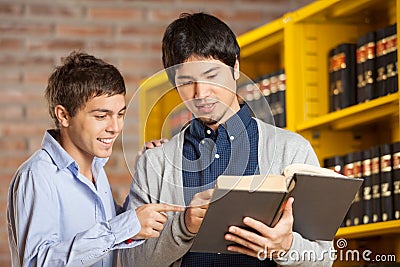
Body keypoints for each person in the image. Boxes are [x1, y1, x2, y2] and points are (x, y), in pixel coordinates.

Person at [121, 12, 333, 267]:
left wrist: (285, 247)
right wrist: (184, 227)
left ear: (235, 68)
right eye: (187, 82)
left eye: (212, 76)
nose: (201, 93)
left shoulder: (292, 150)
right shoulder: (154, 163)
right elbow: (131, 261)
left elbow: (324, 257)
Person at [7, 51, 183, 267]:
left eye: (120, 115)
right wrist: (124, 227)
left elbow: (116, 228)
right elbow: (38, 262)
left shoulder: (96, 170)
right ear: (63, 115)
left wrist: (145, 172)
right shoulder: (37, 176)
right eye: (101, 116)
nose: (115, 128)